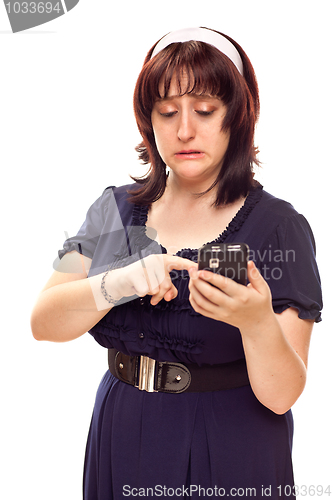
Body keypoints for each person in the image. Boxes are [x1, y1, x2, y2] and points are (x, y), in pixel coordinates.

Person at [31, 27, 322, 499]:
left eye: (205, 111)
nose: (185, 130)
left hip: (231, 446)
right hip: (122, 431)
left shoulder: (277, 227)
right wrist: (116, 283)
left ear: (238, 117)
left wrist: (255, 323)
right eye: (167, 113)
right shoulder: (117, 210)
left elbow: (283, 394)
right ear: (149, 122)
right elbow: (43, 323)